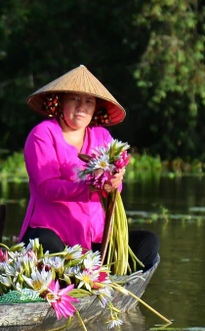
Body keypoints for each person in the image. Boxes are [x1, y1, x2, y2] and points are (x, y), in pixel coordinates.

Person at [17, 65, 159, 272]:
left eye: (89, 101)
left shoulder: (102, 137)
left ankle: (99, 274)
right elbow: (47, 187)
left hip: (95, 239)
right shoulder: (43, 134)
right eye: (75, 99)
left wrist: (115, 181)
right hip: (52, 233)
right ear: (61, 102)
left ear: (95, 109)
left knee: (148, 242)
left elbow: (113, 189)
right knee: (47, 246)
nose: (82, 107)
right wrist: (88, 187)